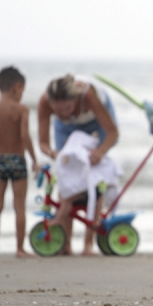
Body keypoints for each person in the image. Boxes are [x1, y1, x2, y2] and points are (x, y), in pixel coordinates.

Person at [37, 74, 119, 255]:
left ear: (74, 99)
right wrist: (54, 153)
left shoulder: (88, 95)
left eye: (67, 107)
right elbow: (43, 143)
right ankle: (65, 243)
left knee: (93, 177)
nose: (63, 113)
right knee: (67, 176)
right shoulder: (44, 102)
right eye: (57, 109)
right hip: (66, 128)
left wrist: (99, 152)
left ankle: (88, 244)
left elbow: (113, 133)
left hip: (96, 121)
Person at [0, 66, 39, 258]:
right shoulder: (22, 110)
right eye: (22, 91)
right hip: (18, 160)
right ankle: (19, 249)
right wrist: (34, 159)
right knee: (19, 205)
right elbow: (24, 135)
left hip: (0, 160)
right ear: (16, 87)